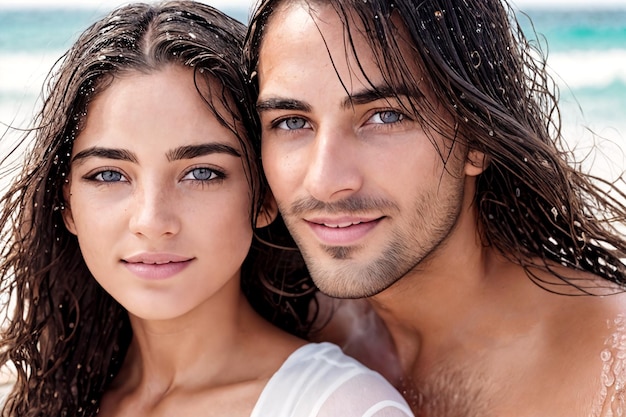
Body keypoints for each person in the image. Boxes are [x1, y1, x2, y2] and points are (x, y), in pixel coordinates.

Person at [0, 2, 414, 416]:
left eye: (201, 173)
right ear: (65, 203)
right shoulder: (45, 394)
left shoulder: (342, 407)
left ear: (264, 197)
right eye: (109, 175)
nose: (151, 221)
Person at [243, 0, 626, 415]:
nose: (325, 180)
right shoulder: (283, 332)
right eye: (292, 122)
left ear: (477, 139)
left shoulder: (608, 375)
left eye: (385, 116)